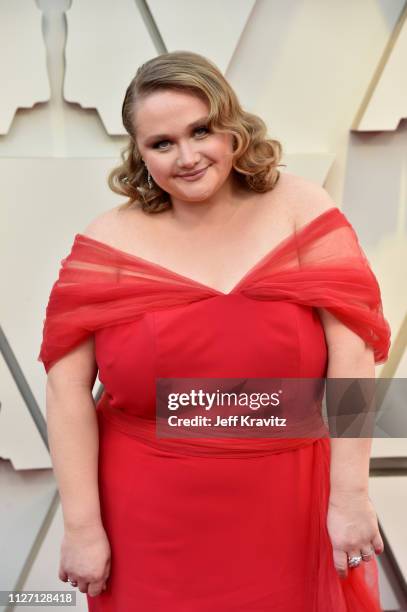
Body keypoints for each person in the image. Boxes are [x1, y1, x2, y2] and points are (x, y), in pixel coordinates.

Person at [38, 51, 391, 611]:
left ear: (232, 126)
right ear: (140, 154)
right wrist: (83, 528)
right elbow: (65, 389)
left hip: (289, 502)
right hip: (148, 520)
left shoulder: (302, 208)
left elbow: (353, 355)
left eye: (201, 130)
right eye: (162, 143)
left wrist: (350, 495)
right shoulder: (107, 243)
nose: (188, 156)